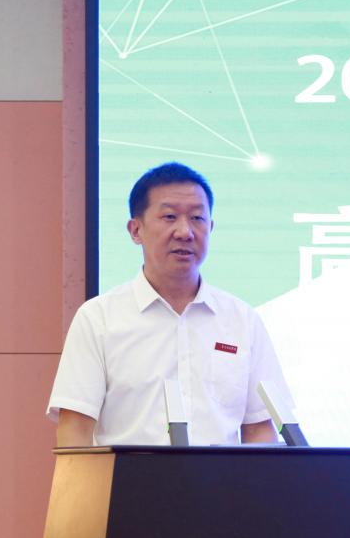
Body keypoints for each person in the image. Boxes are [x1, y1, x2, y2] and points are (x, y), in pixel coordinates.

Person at [47, 162, 296, 447]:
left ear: (211, 227)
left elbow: (259, 429)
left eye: (197, 218)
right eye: (169, 217)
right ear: (135, 230)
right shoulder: (98, 318)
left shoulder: (242, 320)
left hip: (222, 478)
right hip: (129, 477)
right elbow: (75, 430)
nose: (185, 232)